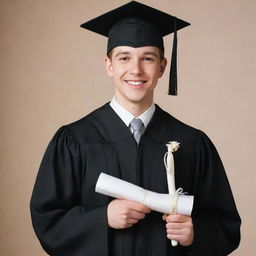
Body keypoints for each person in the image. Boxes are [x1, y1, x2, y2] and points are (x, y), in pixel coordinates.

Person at [30, 1, 241, 256]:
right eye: (124, 57)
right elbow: (47, 221)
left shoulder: (193, 143)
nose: (136, 70)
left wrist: (195, 234)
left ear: (162, 67)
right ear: (109, 65)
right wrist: (102, 219)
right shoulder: (75, 140)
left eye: (147, 58)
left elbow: (226, 227)